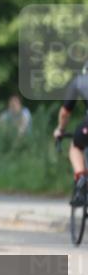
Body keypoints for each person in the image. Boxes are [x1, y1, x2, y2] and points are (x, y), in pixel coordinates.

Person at [54, 61, 88, 206]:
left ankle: (81, 179)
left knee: (75, 146)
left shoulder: (80, 81)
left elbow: (65, 112)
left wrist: (60, 130)